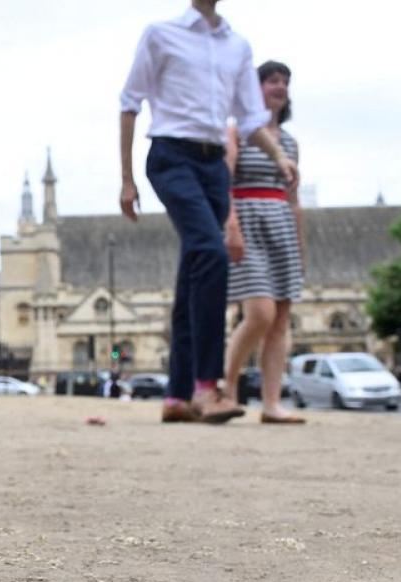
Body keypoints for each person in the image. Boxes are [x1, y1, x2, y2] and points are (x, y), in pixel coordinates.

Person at [120, 0, 298, 424]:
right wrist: (127, 179)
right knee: (211, 253)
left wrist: (278, 156)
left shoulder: (237, 46)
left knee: (191, 275)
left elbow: (251, 116)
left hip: (213, 163)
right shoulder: (160, 34)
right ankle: (206, 386)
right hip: (171, 155)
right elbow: (130, 102)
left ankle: (176, 396)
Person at [221, 60, 306, 424]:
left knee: (281, 320)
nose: (280, 87)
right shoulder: (236, 133)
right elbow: (223, 182)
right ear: (254, 90)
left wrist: (301, 248)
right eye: (272, 81)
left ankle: (272, 404)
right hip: (248, 219)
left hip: (281, 224)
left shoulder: (289, 142)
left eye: (285, 82)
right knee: (259, 313)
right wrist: (231, 225)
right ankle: (227, 390)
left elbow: (293, 199)